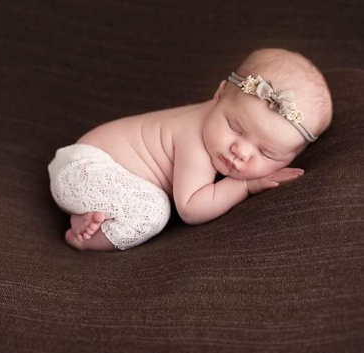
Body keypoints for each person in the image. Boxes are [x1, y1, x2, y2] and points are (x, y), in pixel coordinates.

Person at [47, 48, 333, 252]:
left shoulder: (219, 118)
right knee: (153, 210)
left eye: (267, 153)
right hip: (83, 170)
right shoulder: (195, 141)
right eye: (234, 128)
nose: (240, 151)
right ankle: (85, 239)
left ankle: (93, 215)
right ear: (218, 95)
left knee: (147, 202)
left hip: (90, 171)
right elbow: (191, 208)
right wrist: (245, 185)